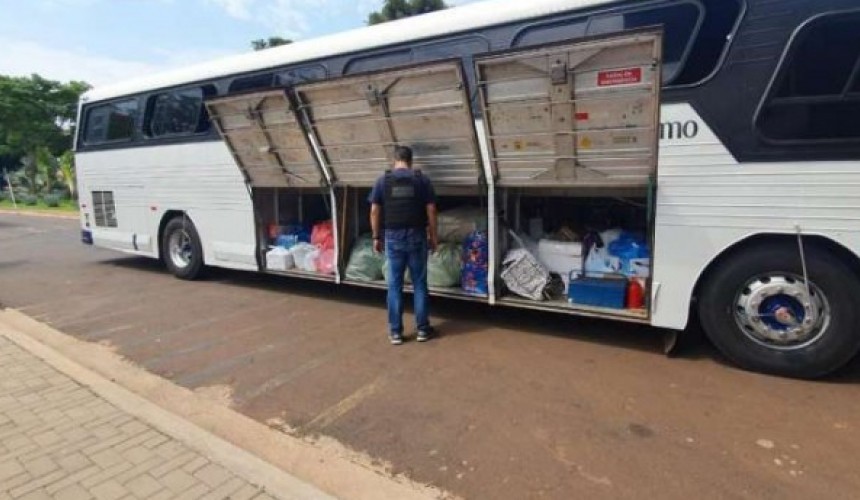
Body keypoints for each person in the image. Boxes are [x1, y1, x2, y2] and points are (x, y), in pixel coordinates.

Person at [369, 145, 438, 345]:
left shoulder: (382, 181)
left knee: (394, 285)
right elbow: (431, 210)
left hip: (393, 237)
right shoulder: (422, 180)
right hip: (417, 235)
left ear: (395, 159)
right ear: (411, 160)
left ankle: (396, 333)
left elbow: (374, 211)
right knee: (419, 283)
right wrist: (434, 236)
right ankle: (423, 330)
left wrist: (376, 237)